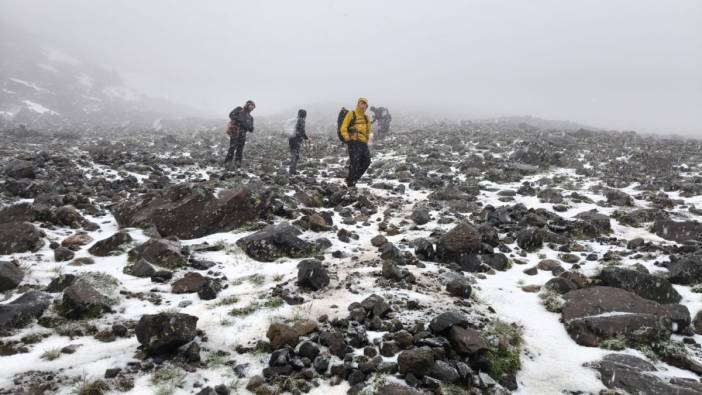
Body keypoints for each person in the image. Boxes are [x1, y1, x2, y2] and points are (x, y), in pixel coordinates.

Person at [339, 97, 372, 188]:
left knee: (367, 161)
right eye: (362, 103)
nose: (363, 106)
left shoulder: (366, 117)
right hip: (354, 141)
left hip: (363, 143)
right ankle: (351, 184)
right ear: (358, 104)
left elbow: (369, 131)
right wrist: (347, 137)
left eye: (365, 104)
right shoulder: (351, 114)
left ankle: (352, 179)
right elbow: (343, 127)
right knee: (355, 162)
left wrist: (370, 141)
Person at [224, 100, 255, 170]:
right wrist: (240, 121)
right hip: (235, 131)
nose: (252, 108)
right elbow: (231, 115)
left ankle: (237, 163)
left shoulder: (250, 117)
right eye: (251, 106)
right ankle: (227, 163)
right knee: (232, 147)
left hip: (243, 134)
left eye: (253, 107)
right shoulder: (239, 109)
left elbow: (251, 128)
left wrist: (250, 128)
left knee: (240, 149)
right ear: (247, 105)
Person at [288, 109, 309, 175]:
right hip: (296, 140)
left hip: (291, 139)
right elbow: (302, 131)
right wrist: (306, 138)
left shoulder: (295, 120)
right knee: (296, 155)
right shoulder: (301, 120)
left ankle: (292, 169)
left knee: (293, 154)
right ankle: (292, 170)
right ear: (304, 115)